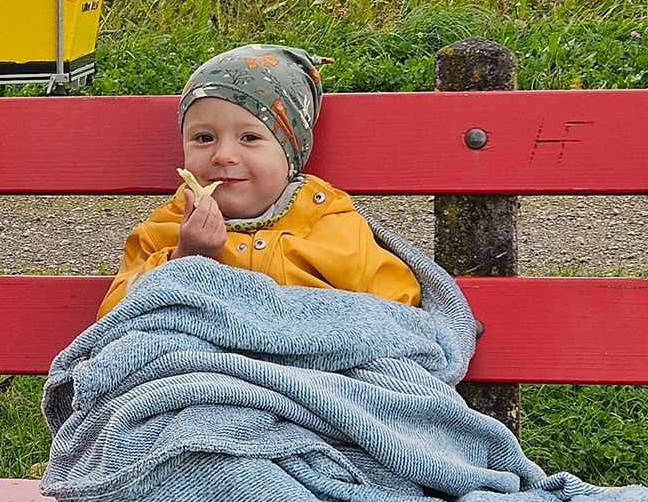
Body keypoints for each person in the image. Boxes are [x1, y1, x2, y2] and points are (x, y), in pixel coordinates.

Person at [96, 43, 421, 317]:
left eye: (250, 138)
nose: (223, 155)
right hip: (201, 376)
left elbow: (397, 308)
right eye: (204, 138)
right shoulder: (162, 231)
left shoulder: (331, 224)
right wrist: (185, 258)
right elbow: (115, 318)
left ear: (290, 155)